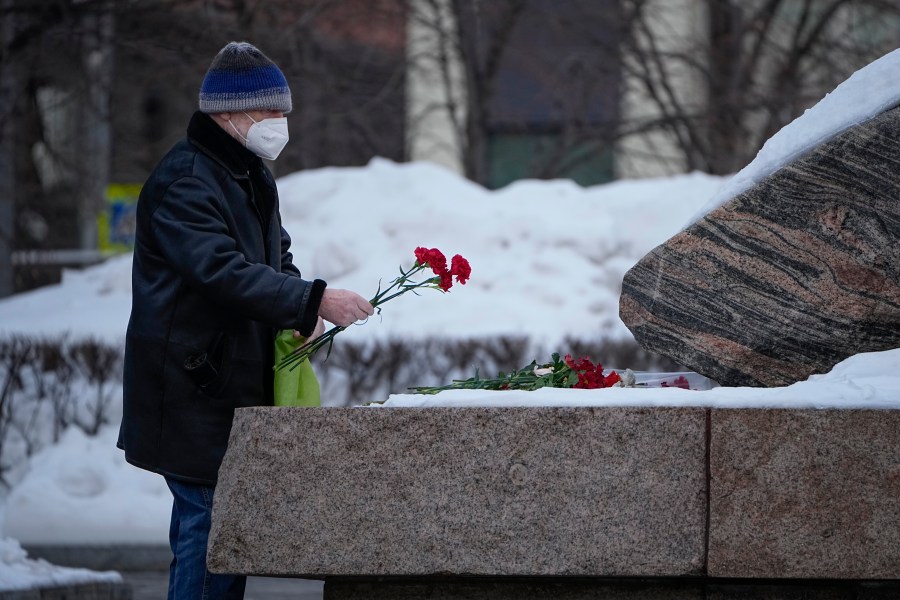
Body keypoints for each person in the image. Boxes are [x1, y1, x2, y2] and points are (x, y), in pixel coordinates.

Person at [117, 41, 374, 600]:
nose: (280, 126)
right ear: (228, 114)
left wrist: (299, 309)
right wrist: (313, 300)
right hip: (191, 387)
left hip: (221, 385)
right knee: (209, 535)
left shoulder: (245, 172)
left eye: (284, 114)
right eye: (270, 114)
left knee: (221, 533)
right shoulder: (186, 179)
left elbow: (274, 255)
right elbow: (221, 271)